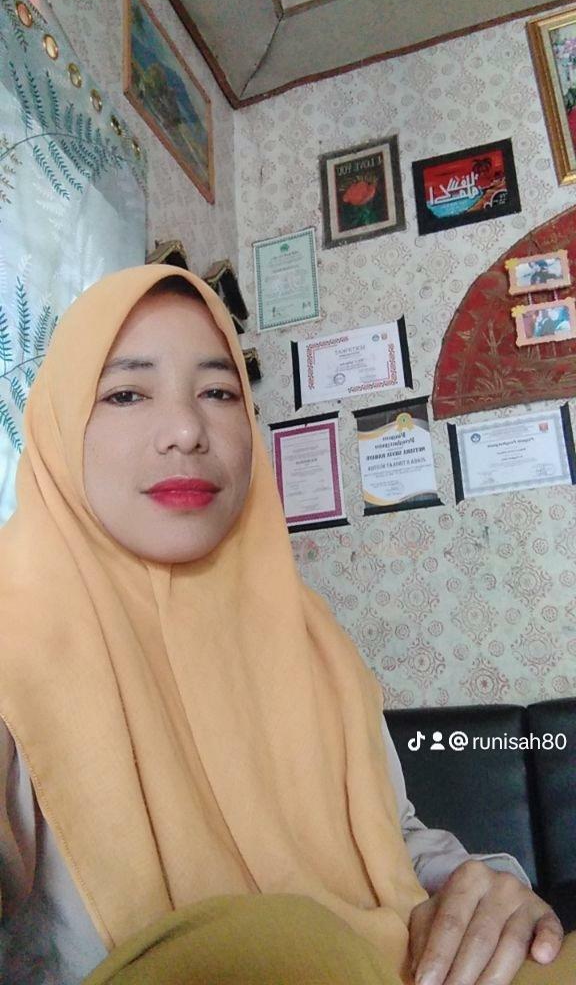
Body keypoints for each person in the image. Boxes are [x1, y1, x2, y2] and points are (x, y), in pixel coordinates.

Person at [0, 266, 571, 985]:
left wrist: (477, 886)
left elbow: (389, 834)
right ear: (57, 426)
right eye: (125, 394)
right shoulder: (14, 629)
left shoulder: (308, 637)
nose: (186, 431)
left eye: (219, 393)